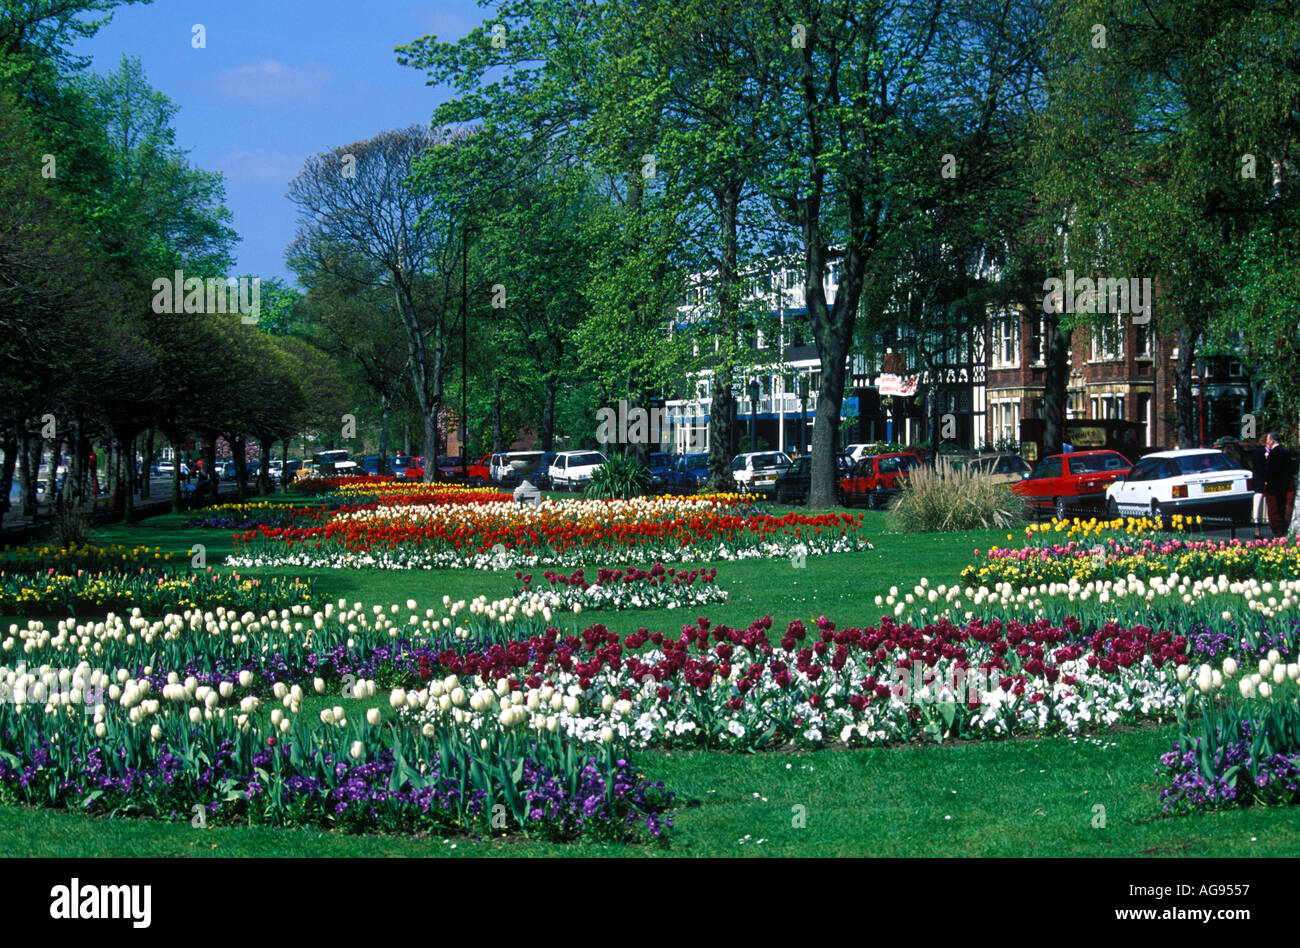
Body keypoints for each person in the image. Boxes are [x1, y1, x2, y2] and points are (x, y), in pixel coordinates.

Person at [1264, 432, 1295, 538]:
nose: (1267, 442)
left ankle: (1278, 534)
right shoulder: (1286, 451)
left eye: (1268, 439)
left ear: (1272, 440)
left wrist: (1267, 483)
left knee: (1274, 512)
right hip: (1285, 486)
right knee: (1283, 510)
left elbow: (1270, 471)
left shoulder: (1273, 453)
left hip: (1274, 487)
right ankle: (1283, 530)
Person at [1248, 440, 1269, 539]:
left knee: (1259, 508)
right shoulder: (1261, 452)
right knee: (1260, 506)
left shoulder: (1258, 452)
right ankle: (1258, 531)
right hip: (1262, 483)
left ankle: (1258, 531)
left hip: (1259, 484)